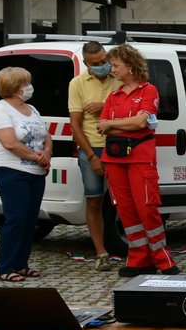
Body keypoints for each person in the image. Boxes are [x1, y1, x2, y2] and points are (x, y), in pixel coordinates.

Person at [98, 45, 178, 277]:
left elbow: (141, 123)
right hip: (115, 159)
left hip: (140, 157)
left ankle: (163, 259)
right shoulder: (114, 95)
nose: (111, 69)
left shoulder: (148, 90)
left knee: (146, 208)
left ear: (130, 66)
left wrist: (114, 124)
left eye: (115, 65)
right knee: (125, 211)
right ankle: (138, 258)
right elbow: (102, 124)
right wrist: (122, 122)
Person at [0, 65, 51, 281]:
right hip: (11, 170)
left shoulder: (32, 109)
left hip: (35, 171)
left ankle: (21, 263)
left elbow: (46, 136)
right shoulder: (1, 109)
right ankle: (6, 266)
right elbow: (9, 142)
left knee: (30, 219)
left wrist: (46, 153)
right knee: (16, 217)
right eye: (25, 83)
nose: (29, 87)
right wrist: (36, 156)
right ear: (14, 87)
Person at [67, 41, 121, 271]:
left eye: (104, 61)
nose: (102, 66)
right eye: (96, 64)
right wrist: (91, 156)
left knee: (125, 200)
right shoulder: (77, 83)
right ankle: (101, 252)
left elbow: (133, 112)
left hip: (120, 147)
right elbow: (76, 125)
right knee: (94, 200)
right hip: (93, 148)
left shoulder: (119, 77)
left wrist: (105, 106)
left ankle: (138, 250)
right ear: (87, 64)